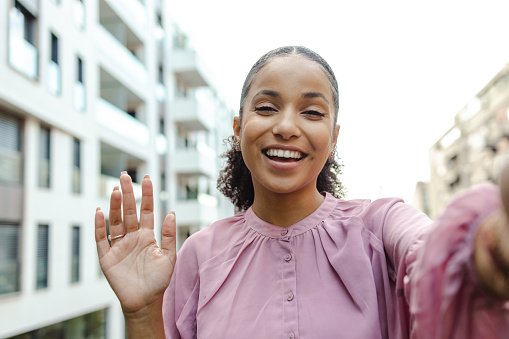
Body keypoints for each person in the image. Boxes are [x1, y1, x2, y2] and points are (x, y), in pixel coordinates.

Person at [95, 46, 509, 339]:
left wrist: (491, 246)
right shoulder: (199, 256)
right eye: (266, 107)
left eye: (312, 112)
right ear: (238, 129)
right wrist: (142, 311)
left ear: (333, 137)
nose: (287, 126)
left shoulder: (379, 226)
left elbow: (434, 251)